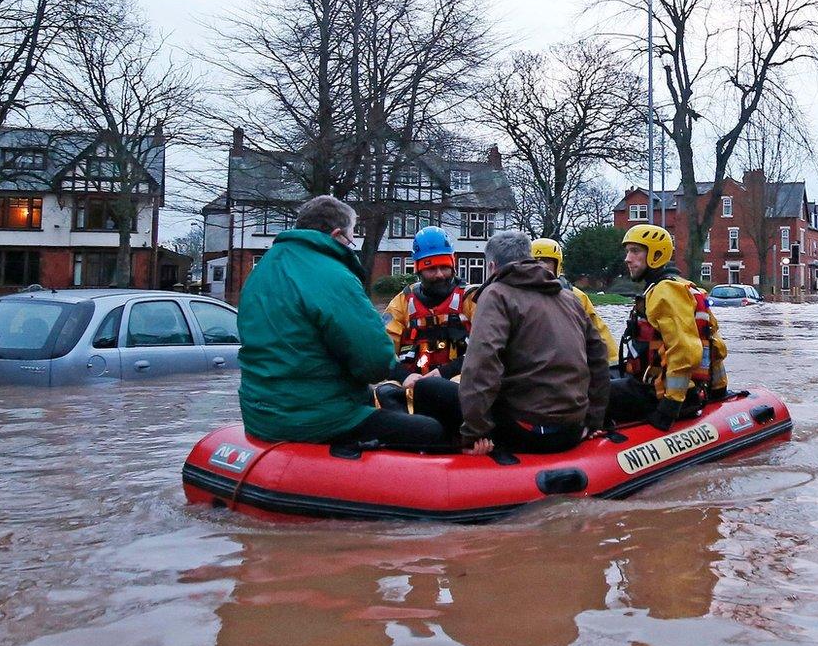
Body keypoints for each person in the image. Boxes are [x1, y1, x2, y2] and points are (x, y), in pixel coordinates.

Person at [237, 195, 447, 448]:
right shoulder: (333, 276)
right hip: (315, 418)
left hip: (258, 415)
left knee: (383, 399)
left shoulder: (261, 270)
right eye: (350, 238)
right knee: (430, 430)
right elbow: (375, 362)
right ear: (337, 235)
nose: (351, 245)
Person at [458, 232, 610, 455]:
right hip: (572, 427)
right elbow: (599, 355)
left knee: (431, 390)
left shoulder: (496, 294)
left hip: (527, 428)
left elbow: (482, 364)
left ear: (491, 266)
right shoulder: (569, 298)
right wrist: (594, 419)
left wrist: (475, 432)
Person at [611, 224, 728, 431]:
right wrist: (719, 391)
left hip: (664, 396)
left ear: (656, 254)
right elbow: (714, 344)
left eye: (635, 251)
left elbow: (684, 351)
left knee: (593, 392)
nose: (627, 258)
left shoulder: (665, 292)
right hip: (687, 392)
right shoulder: (684, 285)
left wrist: (669, 408)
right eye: (627, 251)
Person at [374, 226, 470, 437]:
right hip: (412, 380)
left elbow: (488, 349)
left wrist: (444, 373)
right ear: (418, 268)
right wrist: (404, 375)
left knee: (463, 388)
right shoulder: (402, 302)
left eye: (445, 268)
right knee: (384, 392)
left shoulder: (470, 299)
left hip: (456, 377)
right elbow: (380, 347)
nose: (439, 275)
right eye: (431, 269)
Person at [529, 236, 618, 362]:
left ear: (557, 265)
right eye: (535, 261)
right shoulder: (517, 297)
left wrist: (613, 362)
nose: (541, 266)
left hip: (568, 365)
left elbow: (599, 333)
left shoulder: (576, 296)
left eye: (546, 261)